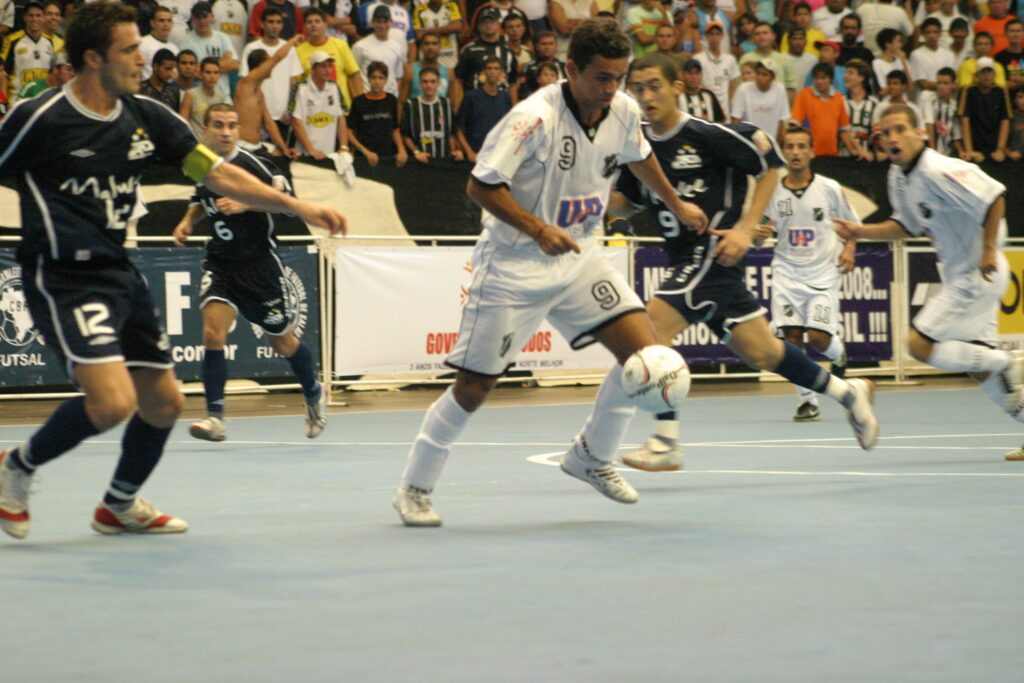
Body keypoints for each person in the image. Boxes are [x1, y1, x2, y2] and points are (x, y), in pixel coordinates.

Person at [0, 1, 345, 541]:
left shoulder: (147, 116)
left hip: (121, 272)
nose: (143, 57)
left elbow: (219, 176)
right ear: (93, 58)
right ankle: (16, 466)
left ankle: (117, 505)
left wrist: (298, 207)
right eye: (129, 49)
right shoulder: (41, 118)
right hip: (62, 276)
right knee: (113, 401)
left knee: (164, 402)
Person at [392, 20, 709, 527]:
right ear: (571, 70)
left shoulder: (622, 111)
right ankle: (415, 487)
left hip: (581, 257)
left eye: (619, 78)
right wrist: (537, 229)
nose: (612, 89)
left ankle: (591, 456)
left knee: (646, 355)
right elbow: (481, 185)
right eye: (602, 78)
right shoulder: (533, 118)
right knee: (473, 389)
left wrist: (677, 202)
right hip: (515, 266)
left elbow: (642, 157)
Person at [614, 53, 877, 473]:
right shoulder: (638, 147)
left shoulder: (708, 135)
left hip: (715, 253)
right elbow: (623, 203)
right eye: (638, 88)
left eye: (654, 86)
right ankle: (850, 394)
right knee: (765, 353)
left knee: (651, 327)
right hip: (686, 260)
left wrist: (745, 227)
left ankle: (665, 440)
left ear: (678, 86)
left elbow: (770, 167)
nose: (646, 96)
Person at [836, 104, 1024, 462]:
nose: (892, 138)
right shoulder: (898, 176)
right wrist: (861, 231)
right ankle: (1004, 372)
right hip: (963, 275)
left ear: (919, 131)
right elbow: (906, 227)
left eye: (899, 129)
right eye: (885, 132)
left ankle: (1007, 359)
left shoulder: (940, 168)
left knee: (918, 344)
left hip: (978, 273)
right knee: (982, 371)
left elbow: (995, 195)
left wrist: (987, 251)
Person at [171, 103, 330, 443]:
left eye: (232, 125)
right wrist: (187, 221)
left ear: (240, 130)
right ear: (205, 130)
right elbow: (201, 197)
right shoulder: (200, 161)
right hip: (221, 263)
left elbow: (287, 202)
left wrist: (247, 202)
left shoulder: (254, 165)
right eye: (218, 125)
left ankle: (314, 392)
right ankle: (216, 419)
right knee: (213, 333)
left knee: (282, 342)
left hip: (259, 266)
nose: (226, 131)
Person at [760, 126, 855, 421]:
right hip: (787, 273)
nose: (796, 152)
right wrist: (758, 233)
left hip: (823, 274)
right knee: (790, 339)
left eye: (802, 146)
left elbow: (852, 226)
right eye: (790, 146)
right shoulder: (772, 190)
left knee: (817, 338)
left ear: (812, 152)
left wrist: (849, 248)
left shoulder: (829, 188)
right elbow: (759, 230)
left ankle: (838, 355)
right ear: (784, 152)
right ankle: (807, 401)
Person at [239, 7, 304, 147]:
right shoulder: (251, 51)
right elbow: (277, 58)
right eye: (271, 22)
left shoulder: (291, 51)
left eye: (278, 22)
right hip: (250, 132)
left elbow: (294, 83)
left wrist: (290, 110)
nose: (275, 26)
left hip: (281, 117)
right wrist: (293, 40)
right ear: (262, 24)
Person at [234, 36, 302, 157]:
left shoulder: (259, 93)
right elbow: (277, 58)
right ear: (261, 65)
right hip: (242, 147)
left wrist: (284, 148)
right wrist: (292, 41)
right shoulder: (246, 84)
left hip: (256, 147)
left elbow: (269, 124)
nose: (272, 67)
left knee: (281, 164)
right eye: (268, 62)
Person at [791, 62, 871, 158]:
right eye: (816, 78)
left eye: (823, 78)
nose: (819, 81)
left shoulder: (837, 97)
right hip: (809, 155)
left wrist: (858, 151)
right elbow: (795, 126)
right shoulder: (804, 95)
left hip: (831, 155)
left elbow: (844, 131)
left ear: (831, 80)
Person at [295, 7, 362, 111]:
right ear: (304, 27)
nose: (313, 25)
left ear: (325, 25)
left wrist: (360, 104)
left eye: (317, 21)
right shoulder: (298, 51)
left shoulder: (341, 45)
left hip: (341, 108)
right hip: (313, 110)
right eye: (309, 22)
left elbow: (354, 75)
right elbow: (297, 84)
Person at [290, 50, 350, 158]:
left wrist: (343, 147)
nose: (328, 70)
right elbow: (296, 122)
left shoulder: (334, 87)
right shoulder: (301, 88)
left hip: (329, 154)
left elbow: (341, 118)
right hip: (304, 155)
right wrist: (311, 150)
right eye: (323, 67)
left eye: (329, 66)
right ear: (313, 69)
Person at [347, 61, 406, 165]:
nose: (377, 82)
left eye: (381, 78)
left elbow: (395, 129)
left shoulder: (392, 100)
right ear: (368, 79)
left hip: (387, 156)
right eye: (373, 77)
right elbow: (349, 132)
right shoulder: (358, 102)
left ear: (386, 80)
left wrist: (401, 150)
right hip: (364, 157)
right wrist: (365, 151)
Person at [455, 55, 511, 161]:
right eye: (489, 68)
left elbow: (508, 128)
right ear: (483, 72)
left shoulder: (505, 97)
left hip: (497, 157)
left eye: (496, 68)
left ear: (501, 73)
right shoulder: (471, 96)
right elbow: (458, 128)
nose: (492, 72)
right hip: (475, 155)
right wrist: (469, 152)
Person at [402, 64, 462, 161]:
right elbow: (405, 135)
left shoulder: (446, 104)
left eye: (432, 82)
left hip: (443, 162)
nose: (429, 85)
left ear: (438, 83)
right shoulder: (410, 105)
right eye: (425, 82)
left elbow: (451, 133)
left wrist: (455, 150)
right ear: (420, 83)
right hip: (420, 163)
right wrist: (417, 152)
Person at [454, 7, 517, 100]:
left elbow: (513, 83)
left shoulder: (508, 51)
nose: (488, 25)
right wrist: (457, 107)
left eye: (491, 22)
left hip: (501, 102)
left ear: (498, 25)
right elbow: (458, 79)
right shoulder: (469, 50)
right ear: (479, 26)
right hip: (475, 100)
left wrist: (513, 107)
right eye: (484, 22)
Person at [1, 1, 59, 101]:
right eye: (31, 15)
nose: (34, 19)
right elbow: (2, 72)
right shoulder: (12, 40)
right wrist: (4, 101)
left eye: (38, 15)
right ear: (24, 17)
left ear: (44, 17)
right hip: (17, 101)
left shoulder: (49, 42)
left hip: (42, 100)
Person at [958, 56, 1011, 162]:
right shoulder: (968, 91)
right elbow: (964, 120)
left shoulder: (1000, 91)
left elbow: (1005, 120)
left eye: (989, 72)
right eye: (983, 72)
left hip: (994, 147)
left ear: (994, 74)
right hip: (975, 145)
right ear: (976, 75)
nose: (986, 76)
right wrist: (969, 150)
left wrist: (1000, 150)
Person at [179, 1, 238, 93]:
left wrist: (202, 67)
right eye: (198, 17)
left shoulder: (223, 38)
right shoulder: (186, 42)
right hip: (199, 97)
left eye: (205, 17)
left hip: (224, 97)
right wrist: (223, 61)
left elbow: (234, 64)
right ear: (193, 19)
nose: (202, 21)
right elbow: (192, 71)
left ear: (212, 17)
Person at [731, 58, 790, 141]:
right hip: (748, 140)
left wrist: (778, 143)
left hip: (771, 139)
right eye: (758, 73)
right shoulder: (743, 89)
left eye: (764, 74)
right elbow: (736, 118)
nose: (759, 77)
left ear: (772, 78)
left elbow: (781, 120)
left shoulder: (780, 89)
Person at [352, 5, 405, 97]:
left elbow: (398, 77)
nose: (382, 25)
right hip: (367, 98)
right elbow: (354, 76)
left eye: (385, 21)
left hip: (389, 100)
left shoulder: (397, 47)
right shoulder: (360, 46)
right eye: (378, 22)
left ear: (391, 23)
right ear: (373, 23)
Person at [694, 20, 738, 118]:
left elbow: (732, 87)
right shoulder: (698, 59)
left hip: (725, 111)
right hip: (705, 110)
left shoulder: (730, 60)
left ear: (722, 36)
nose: (714, 37)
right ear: (706, 36)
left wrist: (732, 109)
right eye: (711, 34)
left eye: (717, 34)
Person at [181, 56, 231, 136]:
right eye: (208, 72)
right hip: (196, 144)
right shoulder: (190, 95)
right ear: (201, 74)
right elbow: (182, 124)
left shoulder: (220, 97)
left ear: (219, 76)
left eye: (216, 73)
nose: (212, 76)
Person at [412, 0, 462, 71]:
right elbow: (419, 35)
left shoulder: (450, 5)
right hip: (427, 63)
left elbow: (457, 26)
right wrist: (447, 29)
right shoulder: (419, 10)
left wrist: (427, 31)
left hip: (450, 59)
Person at [518, 29, 567, 99]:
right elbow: (524, 90)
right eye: (543, 44)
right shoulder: (529, 67)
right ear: (537, 47)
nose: (547, 47)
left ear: (556, 46)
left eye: (550, 44)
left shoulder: (563, 66)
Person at [912, 17, 955, 94]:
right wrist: (945, 86)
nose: (932, 35)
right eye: (928, 32)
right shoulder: (916, 54)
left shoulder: (949, 55)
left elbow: (953, 82)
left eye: (935, 32)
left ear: (940, 33)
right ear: (922, 34)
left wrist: (945, 87)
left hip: (946, 98)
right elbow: (923, 83)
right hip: (926, 98)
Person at [924, 66, 962, 156]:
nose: (941, 86)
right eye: (939, 83)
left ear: (953, 85)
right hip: (932, 151)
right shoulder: (929, 100)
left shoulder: (954, 105)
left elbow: (955, 133)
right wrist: (933, 152)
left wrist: (961, 151)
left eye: (946, 83)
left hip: (948, 151)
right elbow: (929, 126)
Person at [679, 57, 726, 122]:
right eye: (690, 73)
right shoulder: (678, 97)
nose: (694, 77)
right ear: (683, 75)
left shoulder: (709, 95)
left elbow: (721, 121)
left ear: (701, 75)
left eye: (697, 73)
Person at [140, 5, 178, 81]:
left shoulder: (175, 49)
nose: (166, 24)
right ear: (152, 23)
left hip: (170, 91)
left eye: (169, 21)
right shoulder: (142, 44)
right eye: (161, 20)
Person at [873, 28, 911, 98]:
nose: (901, 45)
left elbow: (910, 87)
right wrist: (899, 86)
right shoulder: (877, 63)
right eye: (898, 41)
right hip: (887, 102)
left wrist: (903, 61)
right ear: (888, 44)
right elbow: (881, 92)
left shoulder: (902, 60)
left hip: (904, 101)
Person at [995, 18, 1024, 91]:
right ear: (1006, 33)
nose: (1015, 34)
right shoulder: (999, 57)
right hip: (1007, 97)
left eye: (1018, 31)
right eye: (1012, 31)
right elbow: (998, 83)